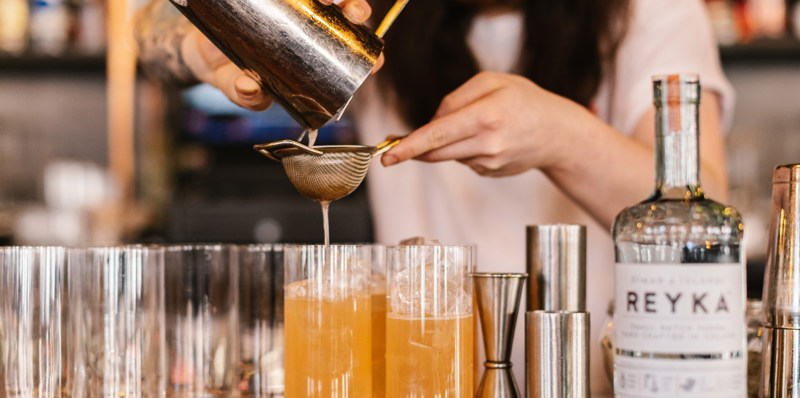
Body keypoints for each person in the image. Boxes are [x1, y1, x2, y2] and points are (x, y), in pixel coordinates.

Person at [134, 0, 735, 395]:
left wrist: (562, 136)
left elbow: (701, 226)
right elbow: (148, 26)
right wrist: (200, 47)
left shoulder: (649, 11)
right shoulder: (378, 16)